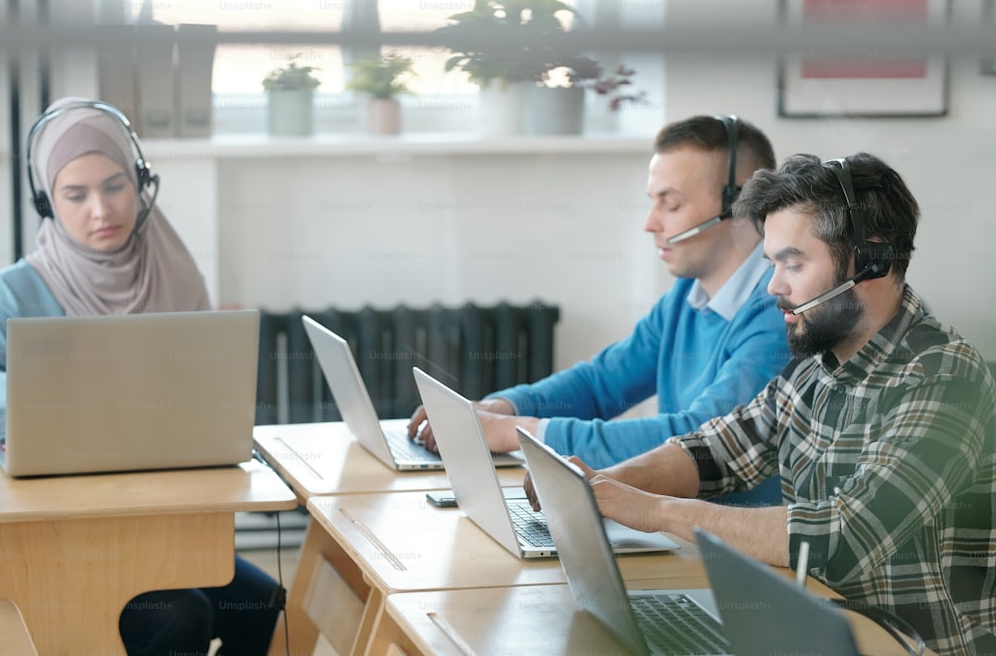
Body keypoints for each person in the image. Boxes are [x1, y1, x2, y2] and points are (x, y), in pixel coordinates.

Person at [557, 152, 996, 655]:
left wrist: (655, 511)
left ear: (871, 260)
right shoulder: (818, 360)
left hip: (912, 646)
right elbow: (717, 450)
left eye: (793, 263)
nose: (773, 287)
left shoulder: (943, 375)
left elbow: (840, 539)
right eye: (772, 263)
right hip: (818, 630)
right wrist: (600, 485)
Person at [0, 98, 281, 656]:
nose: (100, 209)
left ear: (141, 182)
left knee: (263, 600)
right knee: (181, 617)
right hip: (58, 535)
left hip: (162, 523)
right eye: (75, 196)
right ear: (47, 203)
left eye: (115, 185)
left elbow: (206, 403)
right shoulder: (11, 296)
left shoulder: (174, 273)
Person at [409, 114, 789, 505]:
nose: (649, 223)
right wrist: (501, 407)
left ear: (741, 206)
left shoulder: (779, 314)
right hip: (675, 528)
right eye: (652, 202)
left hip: (726, 550)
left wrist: (514, 432)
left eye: (670, 204)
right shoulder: (688, 295)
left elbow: (699, 439)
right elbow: (601, 384)